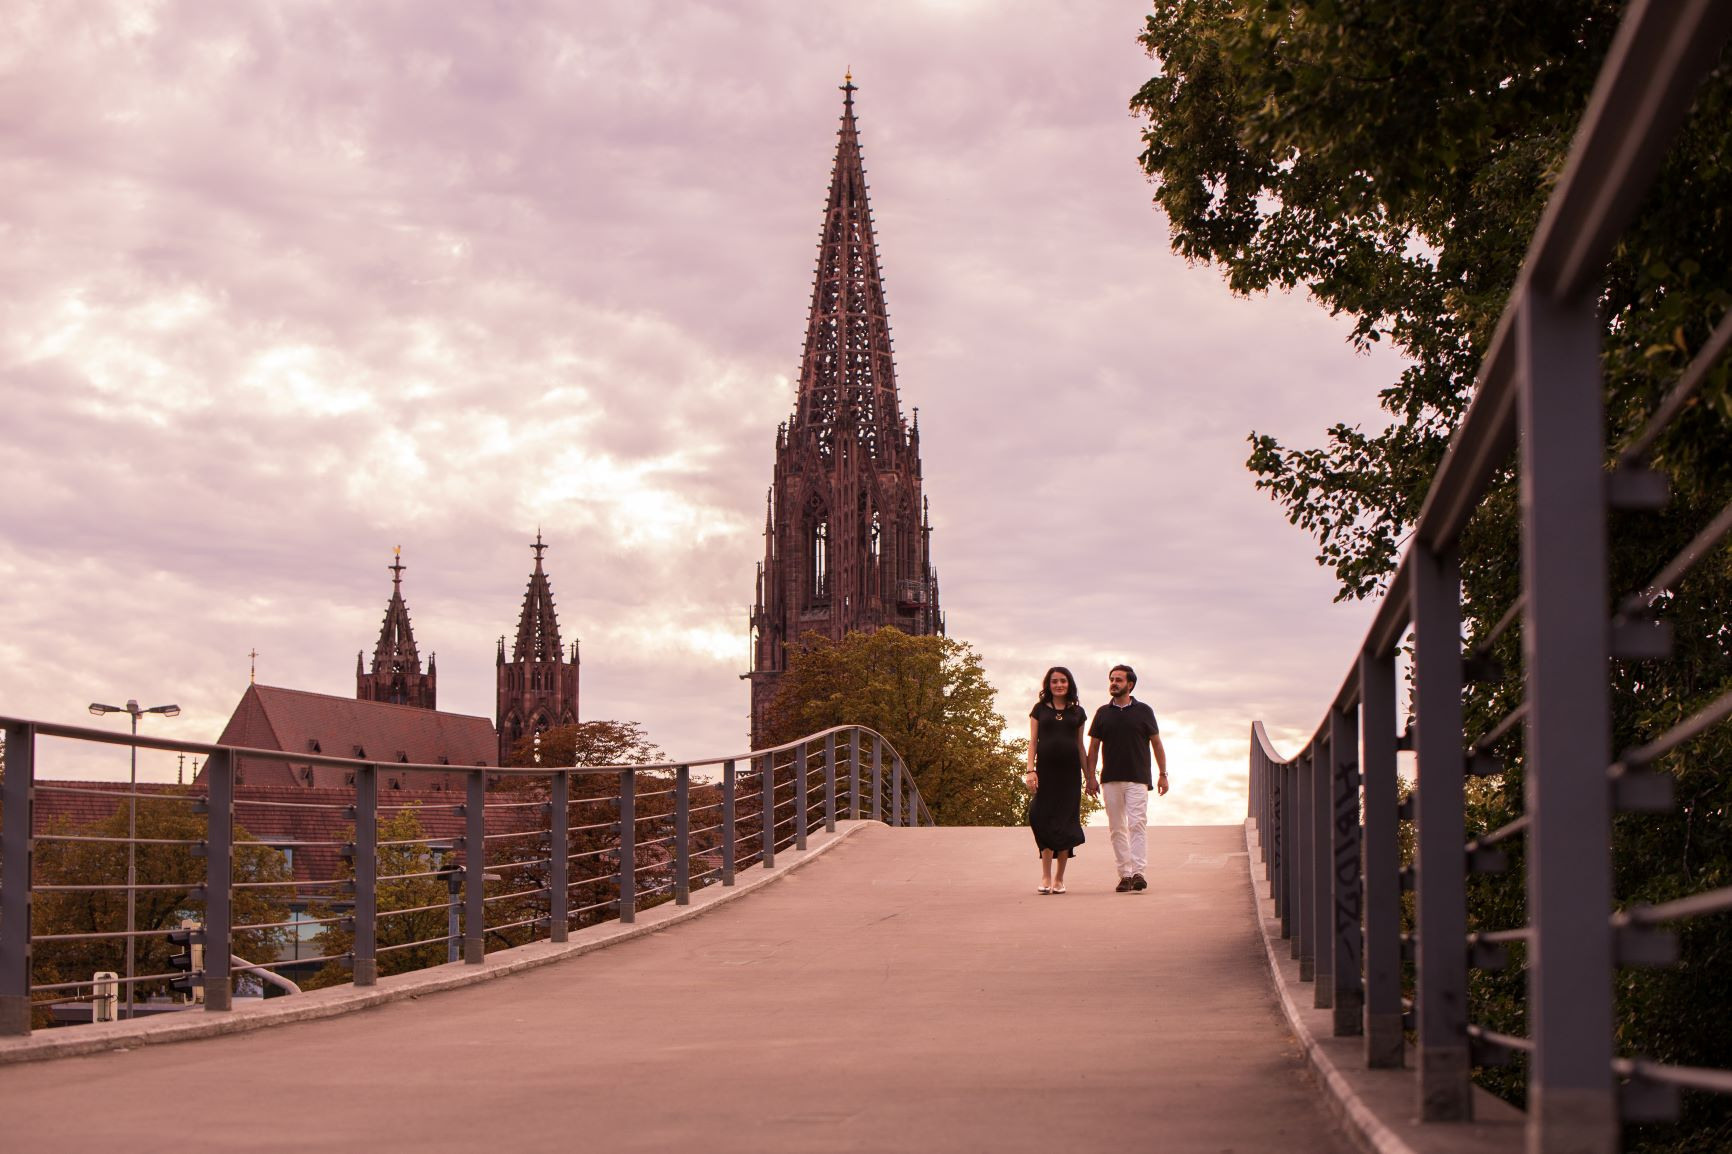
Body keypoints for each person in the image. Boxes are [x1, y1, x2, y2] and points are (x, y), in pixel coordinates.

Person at [1084, 664, 1167, 892]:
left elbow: (1157, 744)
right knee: (1116, 828)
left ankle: (1139, 872)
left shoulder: (1144, 711)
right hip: (1110, 779)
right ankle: (1125, 874)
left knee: (1137, 824)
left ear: (1130, 684)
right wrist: (1090, 777)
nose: (1113, 683)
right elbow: (1093, 748)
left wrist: (1163, 774)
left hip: (1137, 778)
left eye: (1119, 680)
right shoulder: (1103, 713)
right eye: (1111, 679)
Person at [1025, 666, 1087, 894]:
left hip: (1070, 775)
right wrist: (1030, 770)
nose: (1059, 685)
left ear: (1069, 684)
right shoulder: (1039, 710)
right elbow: (1033, 742)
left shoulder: (1077, 713)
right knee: (1039, 816)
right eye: (1054, 682)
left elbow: (1080, 746)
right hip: (1046, 773)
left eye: (1063, 681)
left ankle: (1058, 879)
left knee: (1066, 822)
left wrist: (1089, 776)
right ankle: (1045, 874)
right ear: (1048, 685)